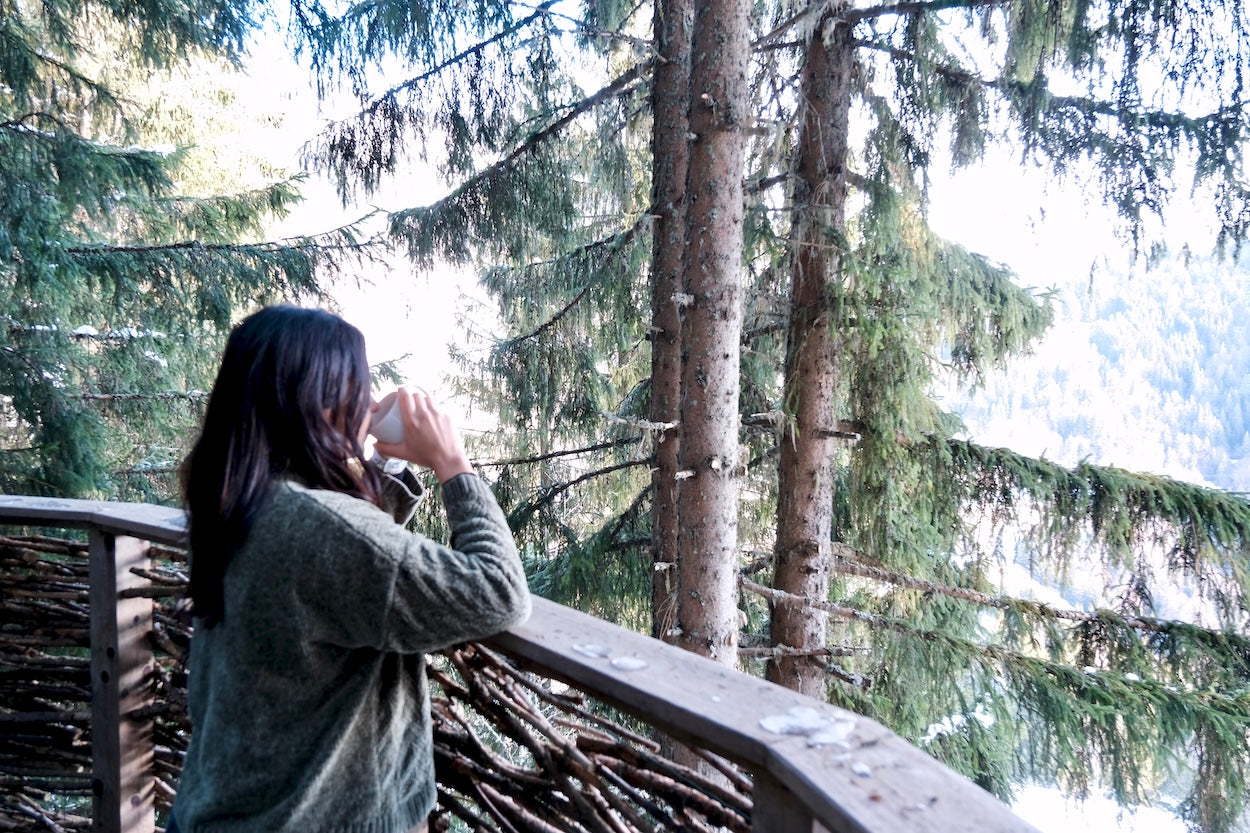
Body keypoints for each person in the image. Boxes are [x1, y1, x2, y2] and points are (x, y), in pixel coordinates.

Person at [169, 305, 531, 833]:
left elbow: (341, 571)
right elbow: (498, 592)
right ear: (319, 398)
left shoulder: (237, 502)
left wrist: (390, 465)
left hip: (219, 811)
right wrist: (454, 463)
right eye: (355, 386)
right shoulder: (311, 527)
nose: (365, 401)